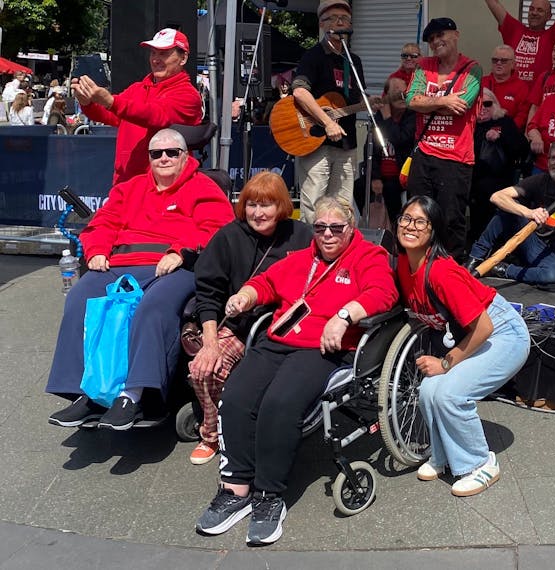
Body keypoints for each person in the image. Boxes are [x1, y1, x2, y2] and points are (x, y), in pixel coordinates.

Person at [195, 196, 397, 546]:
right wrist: (246, 295)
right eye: (320, 228)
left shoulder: (369, 256)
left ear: (350, 228)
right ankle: (236, 487)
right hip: (277, 340)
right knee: (237, 395)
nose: (328, 235)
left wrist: (345, 314)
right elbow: (269, 283)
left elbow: (384, 291)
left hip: (324, 348)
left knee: (280, 404)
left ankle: (269, 495)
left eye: (337, 228)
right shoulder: (303, 258)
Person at [45, 129, 234, 430]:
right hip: (122, 261)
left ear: (186, 156)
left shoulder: (203, 187)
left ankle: (133, 395)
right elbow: (103, 222)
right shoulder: (129, 188)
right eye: (156, 153)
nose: (164, 158)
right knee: (81, 297)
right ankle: (85, 391)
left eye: (172, 152)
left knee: (153, 306)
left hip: (173, 265)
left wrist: (181, 251)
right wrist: (96, 249)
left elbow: (218, 227)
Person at [395, 195, 529, 497]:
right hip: (473, 331)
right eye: (406, 218)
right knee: (429, 391)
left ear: (433, 231)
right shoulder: (404, 264)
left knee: (451, 395)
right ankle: (443, 456)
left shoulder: (441, 271)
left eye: (420, 222)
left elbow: (484, 326)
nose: (410, 226)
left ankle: (481, 463)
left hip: (503, 332)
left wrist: (445, 363)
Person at [187, 171, 313, 465]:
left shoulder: (303, 235)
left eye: (266, 205)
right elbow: (208, 292)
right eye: (251, 205)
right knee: (203, 369)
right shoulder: (229, 236)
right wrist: (210, 343)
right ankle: (211, 432)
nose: (258, 213)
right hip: (242, 326)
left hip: (287, 327)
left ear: (281, 206)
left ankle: (258, 429)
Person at [73, 28, 202, 185]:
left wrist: (110, 102)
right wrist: (87, 101)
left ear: (183, 58)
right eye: (153, 53)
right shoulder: (137, 88)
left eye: (164, 53)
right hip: (124, 184)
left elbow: (155, 115)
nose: (155, 59)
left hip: (163, 188)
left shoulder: (188, 95)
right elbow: (110, 115)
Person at [406, 17, 483, 261]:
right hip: (424, 153)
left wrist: (427, 104)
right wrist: (443, 100)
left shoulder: (472, 68)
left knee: (451, 220)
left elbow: (462, 105)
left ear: (456, 35)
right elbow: (411, 100)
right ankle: (416, 269)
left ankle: (450, 272)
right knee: (418, 215)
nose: (436, 41)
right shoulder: (423, 66)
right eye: (431, 39)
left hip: (455, 158)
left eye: (441, 35)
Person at [468, 139, 555, 284]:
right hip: (530, 239)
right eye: (553, 158)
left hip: (554, 253)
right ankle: (476, 257)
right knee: (508, 207)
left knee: (552, 275)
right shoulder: (539, 180)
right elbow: (497, 197)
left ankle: (501, 269)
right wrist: (529, 212)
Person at [290, 0, 366, 223]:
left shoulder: (354, 61)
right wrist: (327, 122)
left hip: (346, 143)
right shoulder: (313, 56)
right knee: (314, 205)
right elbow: (300, 92)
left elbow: (355, 98)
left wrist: (371, 103)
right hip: (317, 143)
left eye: (344, 19)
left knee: (343, 206)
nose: (340, 22)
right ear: (322, 25)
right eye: (333, 18)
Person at [469, 88, 528, 244]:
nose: (483, 107)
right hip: (472, 179)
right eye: (479, 104)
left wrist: (501, 137)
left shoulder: (504, 122)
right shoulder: (468, 124)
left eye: (487, 104)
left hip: (500, 180)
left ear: (495, 104)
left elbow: (521, 149)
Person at [484, 0, 555, 84]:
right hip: (510, 94)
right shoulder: (514, 29)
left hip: (536, 97)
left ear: (549, 17)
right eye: (531, 9)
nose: (534, 13)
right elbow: (494, 4)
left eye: (540, 10)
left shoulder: (552, 36)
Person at [372, 76, 416, 222]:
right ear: (387, 96)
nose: (402, 96)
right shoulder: (379, 117)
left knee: (390, 189)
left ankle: (397, 229)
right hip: (382, 174)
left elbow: (400, 140)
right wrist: (375, 177)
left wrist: (388, 118)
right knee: (359, 187)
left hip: (402, 175)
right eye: (397, 92)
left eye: (405, 92)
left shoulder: (412, 117)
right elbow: (371, 149)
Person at [481, 44, 531, 130]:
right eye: (495, 60)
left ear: (513, 64)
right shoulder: (481, 82)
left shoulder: (522, 87)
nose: (498, 63)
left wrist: (504, 131)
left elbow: (522, 115)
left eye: (503, 60)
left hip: (508, 133)